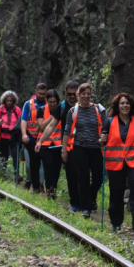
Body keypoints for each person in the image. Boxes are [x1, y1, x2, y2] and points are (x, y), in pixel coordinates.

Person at [99, 93, 134, 236]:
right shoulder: (110, 122)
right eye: (122, 103)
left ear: (131, 105)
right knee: (116, 194)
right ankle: (116, 224)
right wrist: (101, 140)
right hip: (115, 163)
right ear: (117, 106)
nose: (125, 105)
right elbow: (102, 142)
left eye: (127, 103)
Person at [35, 80, 81, 211]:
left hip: (83, 145)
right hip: (66, 146)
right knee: (70, 174)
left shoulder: (88, 106)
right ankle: (75, 203)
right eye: (70, 94)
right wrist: (40, 141)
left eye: (75, 94)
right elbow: (49, 126)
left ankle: (87, 200)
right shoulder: (61, 107)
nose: (72, 96)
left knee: (85, 175)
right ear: (66, 93)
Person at [62, 83, 106, 218]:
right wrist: (64, 150)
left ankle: (91, 197)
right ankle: (85, 207)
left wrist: (104, 137)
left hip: (96, 147)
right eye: (83, 94)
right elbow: (67, 131)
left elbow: (106, 127)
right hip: (79, 147)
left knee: (98, 177)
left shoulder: (99, 109)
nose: (86, 96)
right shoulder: (73, 112)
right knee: (83, 177)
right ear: (78, 95)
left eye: (88, 93)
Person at [21, 83, 47, 193]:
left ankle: (41, 184)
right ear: (36, 91)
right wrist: (24, 134)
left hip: (44, 138)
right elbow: (24, 120)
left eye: (44, 94)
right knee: (33, 163)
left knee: (42, 163)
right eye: (40, 93)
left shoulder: (48, 103)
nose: (41, 96)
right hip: (31, 138)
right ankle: (35, 186)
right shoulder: (28, 104)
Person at [36, 89, 62, 198]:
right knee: (48, 166)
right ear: (47, 101)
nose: (52, 104)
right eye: (50, 102)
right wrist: (53, 115)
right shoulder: (41, 110)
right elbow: (42, 126)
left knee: (57, 167)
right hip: (44, 144)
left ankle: (53, 187)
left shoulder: (62, 110)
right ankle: (49, 188)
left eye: (54, 102)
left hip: (58, 143)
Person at [0, 91, 21, 178]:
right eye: (7, 100)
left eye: (10, 100)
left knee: (15, 155)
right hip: (3, 136)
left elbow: (20, 121)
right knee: (3, 156)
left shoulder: (17, 110)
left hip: (14, 136)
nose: (9, 102)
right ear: (4, 101)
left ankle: (16, 174)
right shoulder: (0, 109)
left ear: (13, 101)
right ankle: (2, 173)